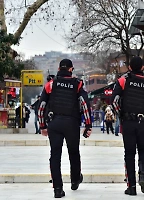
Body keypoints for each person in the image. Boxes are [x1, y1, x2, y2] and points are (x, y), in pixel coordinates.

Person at [38, 59, 92, 198]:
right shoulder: (77, 84)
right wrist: (88, 125)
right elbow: (85, 104)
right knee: (73, 152)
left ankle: (58, 188)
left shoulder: (51, 84)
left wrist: (42, 126)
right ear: (71, 69)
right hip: (71, 123)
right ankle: (75, 180)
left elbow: (42, 106)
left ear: (58, 68)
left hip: (54, 123)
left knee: (55, 155)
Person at [111, 56, 144, 196]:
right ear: (143, 67)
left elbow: (114, 102)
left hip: (128, 122)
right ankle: (143, 176)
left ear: (130, 67)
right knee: (143, 151)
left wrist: (120, 114)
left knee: (129, 154)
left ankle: (131, 187)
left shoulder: (122, 81)